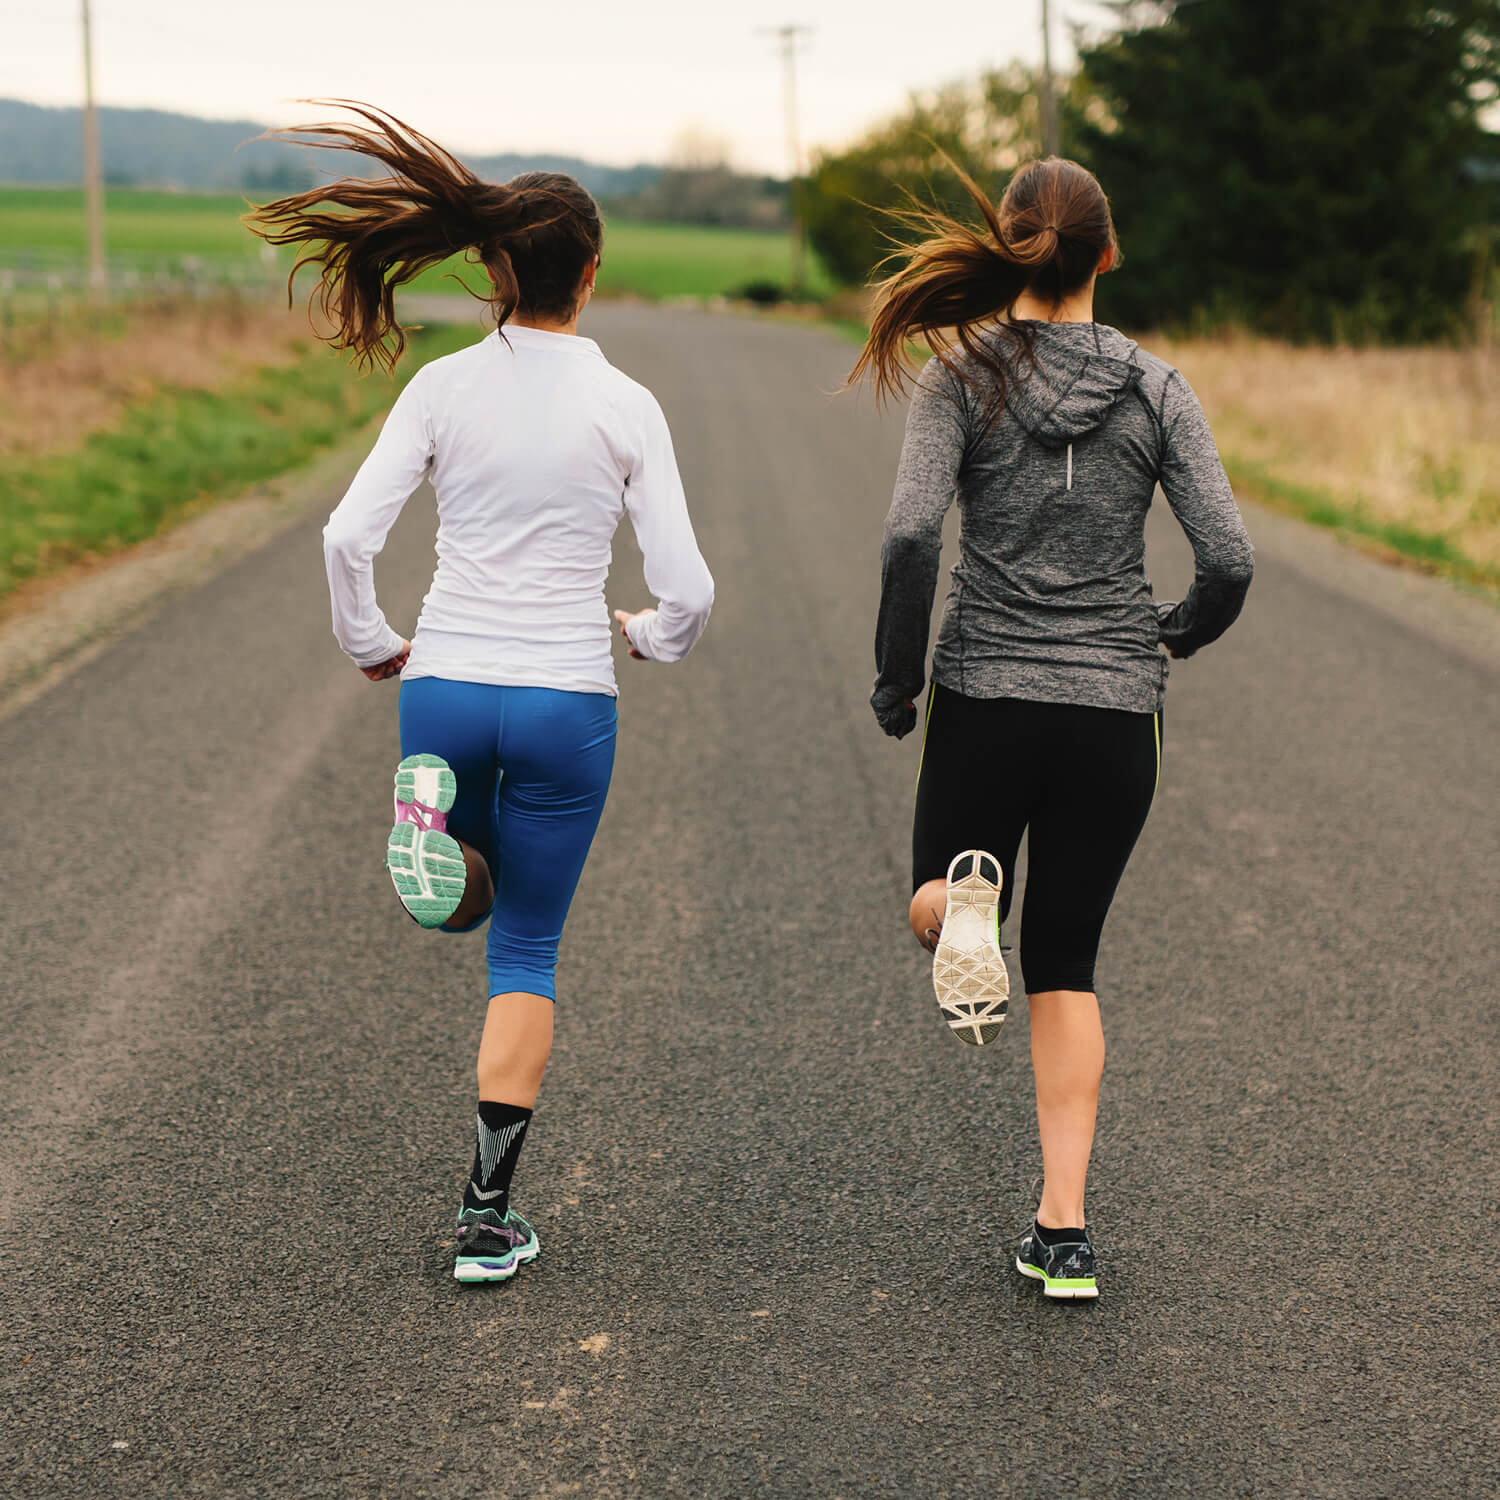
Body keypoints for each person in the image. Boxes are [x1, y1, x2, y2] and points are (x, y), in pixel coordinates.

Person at [247, 105, 714, 1283]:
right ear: (591, 277)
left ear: (494, 271)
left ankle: (433, 822)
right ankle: (483, 1218)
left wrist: (371, 644)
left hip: (443, 684)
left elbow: (349, 538)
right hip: (566, 691)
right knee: (526, 951)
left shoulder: (444, 390)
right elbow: (690, 588)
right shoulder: (627, 406)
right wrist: (653, 638)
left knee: (471, 880)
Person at [852, 156, 1253, 1300]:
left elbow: (909, 540)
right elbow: (1229, 554)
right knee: (1067, 965)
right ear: (1108, 255)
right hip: (1114, 709)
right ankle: (1064, 1231)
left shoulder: (959, 375)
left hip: (987, 694)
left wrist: (899, 681)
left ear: (1011, 249)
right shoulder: (1159, 388)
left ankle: (963, 902)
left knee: (939, 898)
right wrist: (1169, 629)